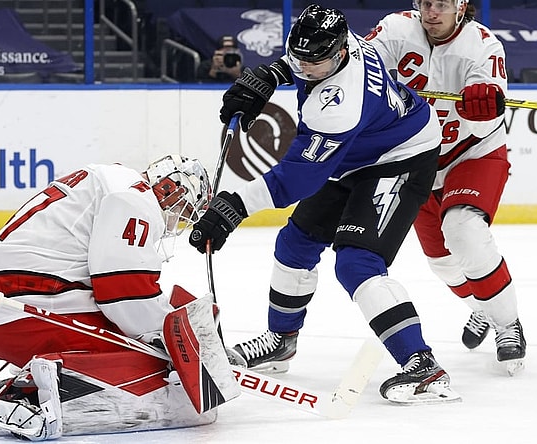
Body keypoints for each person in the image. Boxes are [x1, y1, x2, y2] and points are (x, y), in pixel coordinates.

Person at [189, 4, 460, 405]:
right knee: (294, 244)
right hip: (355, 152)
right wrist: (273, 73)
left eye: (313, 62)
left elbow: (298, 178)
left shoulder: (338, 105)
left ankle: (423, 365)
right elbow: (303, 61)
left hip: (401, 157)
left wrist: (233, 206)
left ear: (340, 54)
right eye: (297, 56)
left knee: (357, 263)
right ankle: (281, 341)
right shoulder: (338, 44)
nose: (304, 67)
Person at [0, 155, 239, 440]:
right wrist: (176, 344)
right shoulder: (135, 199)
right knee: (153, 361)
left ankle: (30, 382)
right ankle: (35, 391)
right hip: (26, 311)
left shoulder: (113, 179)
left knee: (137, 336)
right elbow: (123, 292)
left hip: (0, 309)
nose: (177, 220)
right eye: (183, 209)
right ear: (170, 189)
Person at [365, 0, 526, 375]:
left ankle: (508, 324)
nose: (431, 12)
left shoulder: (482, 46)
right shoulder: (395, 29)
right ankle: (483, 308)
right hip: (417, 158)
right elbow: (358, 69)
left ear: (461, 7)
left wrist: (481, 109)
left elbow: (486, 124)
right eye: (426, 3)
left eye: (441, 4)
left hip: (472, 152)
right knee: (442, 263)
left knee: (463, 230)